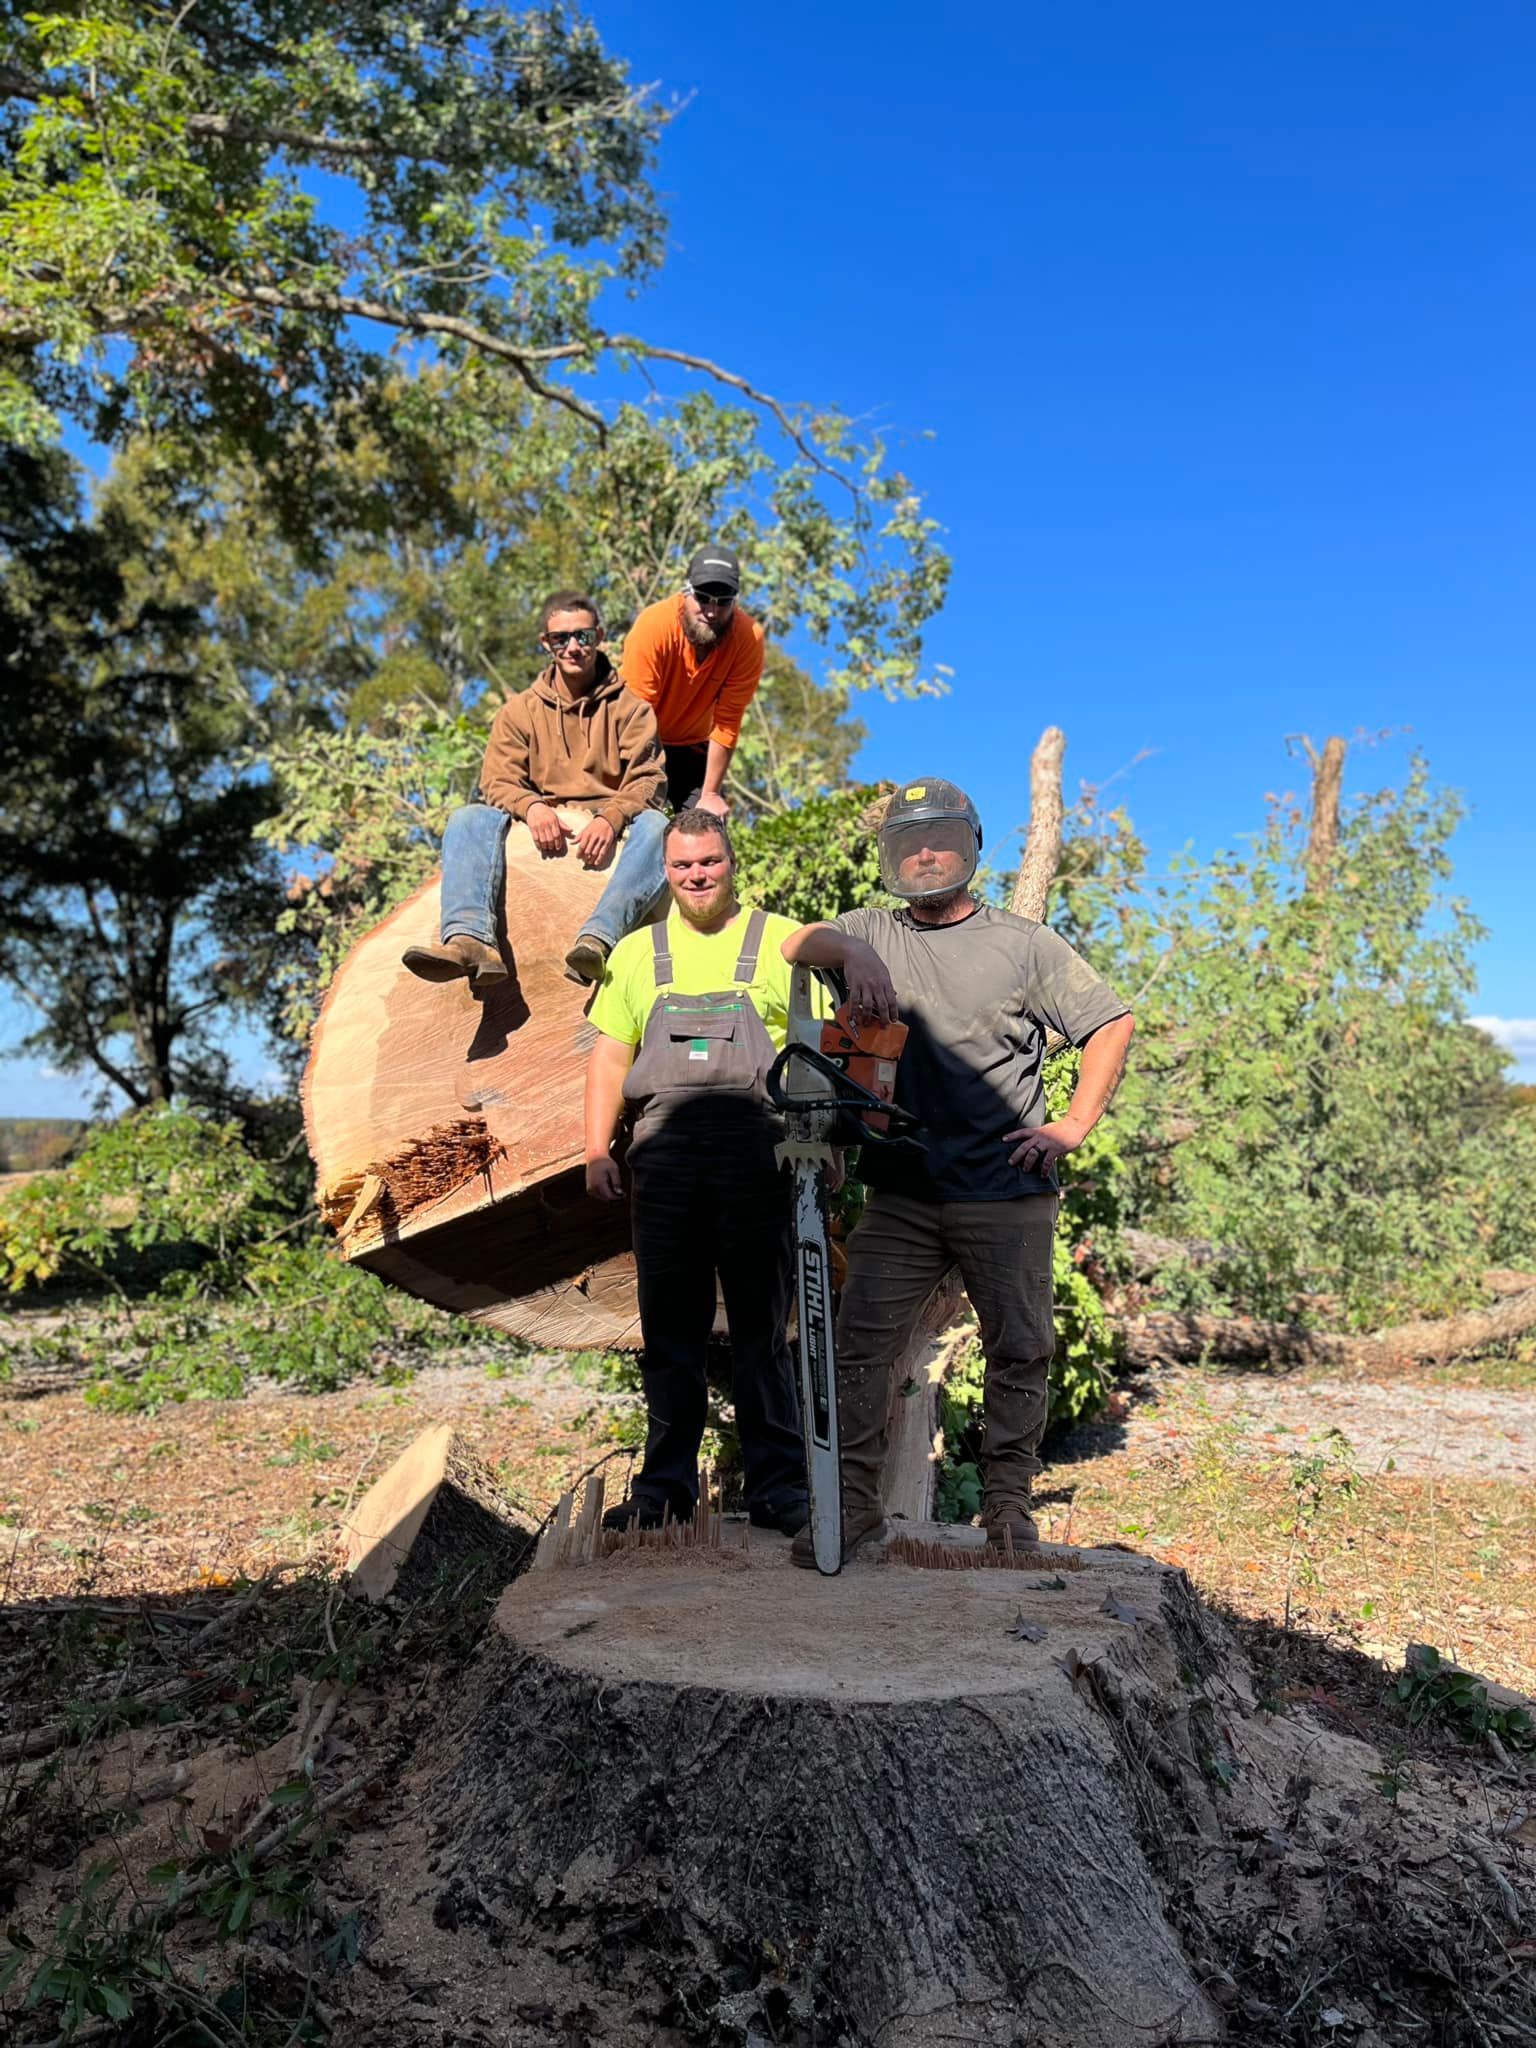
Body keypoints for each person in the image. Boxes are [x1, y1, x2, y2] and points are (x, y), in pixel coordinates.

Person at [780, 777, 1136, 1568]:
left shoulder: (1022, 943)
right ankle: (855, 1508)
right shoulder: (871, 928)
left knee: (1021, 1349)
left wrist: (1072, 1125)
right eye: (909, 845)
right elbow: (796, 943)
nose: (925, 854)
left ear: (970, 847)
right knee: (858, 1346)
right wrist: (857, 949)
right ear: (892, 859)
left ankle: (1008, 1513)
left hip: (1004, 1184)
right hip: (903, 1186)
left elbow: (1112, 1021)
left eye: (938, 840)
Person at [583, 808, 810, 1537]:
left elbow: (817, 1050)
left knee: (762, 1336)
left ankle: (780, 1489)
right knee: (670, 1337)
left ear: (730, 861)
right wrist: (595, 1149)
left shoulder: (780, 940)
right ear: (667, 873)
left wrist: (823, 1146)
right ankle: (665, 1490)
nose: (696, 875)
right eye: (681, 866)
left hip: (758, 1160)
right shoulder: (637, 952)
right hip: (664, 1162)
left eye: (708, 862)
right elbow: (611, 1058)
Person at [402, 592, 667, 990]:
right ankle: (469, 940)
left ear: (600, 636)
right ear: (546, 644)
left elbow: (649, 778)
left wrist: (611, 818)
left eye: (583, 636)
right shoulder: (519, 711)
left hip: (612, 823)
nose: (574, 647)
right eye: (561, 639)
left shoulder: (632, 708)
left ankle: (599, 939)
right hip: (542, 819)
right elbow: (496, 780)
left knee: (658, 826)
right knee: (467, 818)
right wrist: (533, 807)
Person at [619, 543, 765, 818]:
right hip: (640, 739)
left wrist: (709, 795)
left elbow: (727, 721)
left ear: (734, 602)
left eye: (723, 602)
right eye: (703, 597)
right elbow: (635, 715)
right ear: (686, 591)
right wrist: (638, 788)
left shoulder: (748, 638)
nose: (711, 610)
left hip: (692, 747)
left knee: (708, 827)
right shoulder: (655, 626)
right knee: (642, 824)